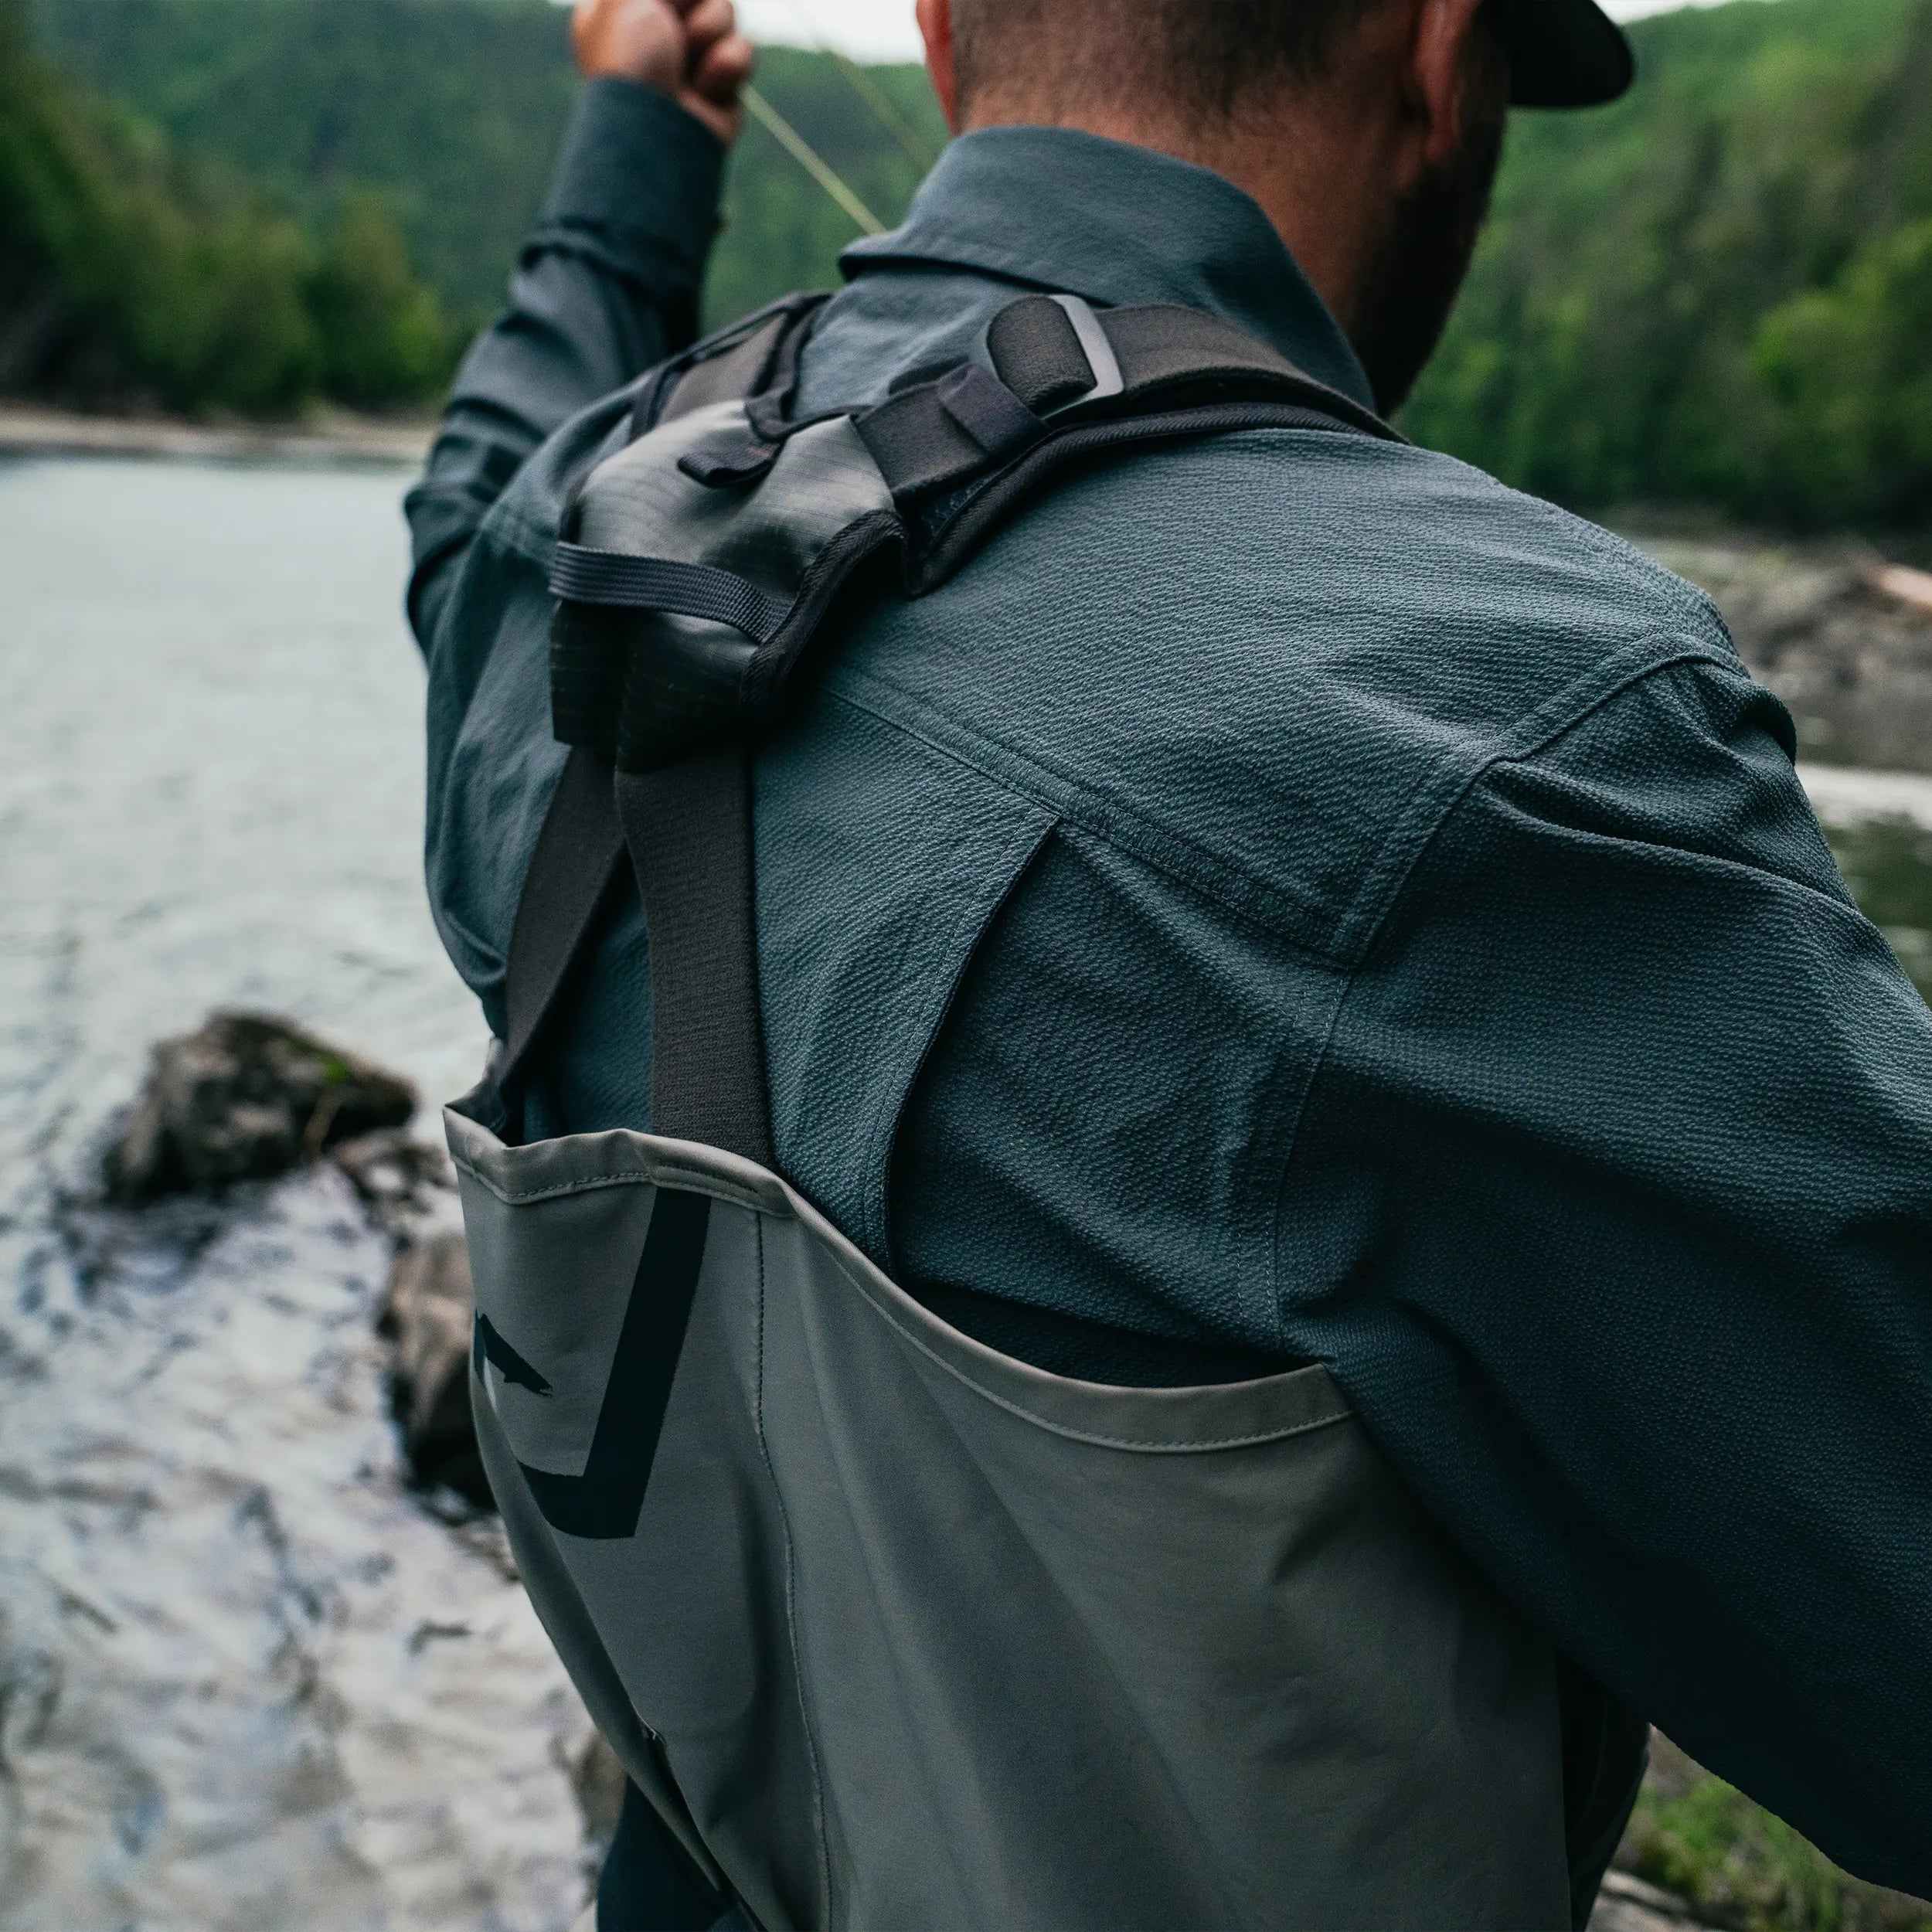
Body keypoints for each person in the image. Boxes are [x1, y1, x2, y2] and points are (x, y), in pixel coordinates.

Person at [406, 0, 1932, 1923]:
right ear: (1438, 54)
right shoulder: (1516, 719)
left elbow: (459, 511)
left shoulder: (566, 559)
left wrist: (635, 144)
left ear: (946, 38)